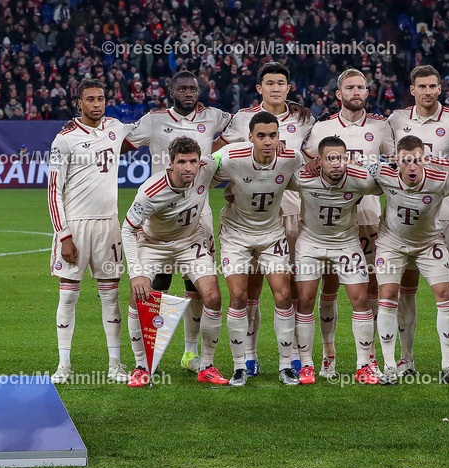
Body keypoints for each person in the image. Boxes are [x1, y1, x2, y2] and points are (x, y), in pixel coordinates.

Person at [127, 71, 232, 372]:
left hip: (198, 212)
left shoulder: (212, 116)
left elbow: (240, 129)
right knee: (157, 284)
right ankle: (148, 358)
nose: (189, 92)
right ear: (171, 91)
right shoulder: (153, 120)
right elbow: (120, 140)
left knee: (197, 285)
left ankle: (190, 353)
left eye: (193, 88)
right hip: (159, 215)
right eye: (182, 88)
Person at [213, 62, 313, 376]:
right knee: (249, 289)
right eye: (269, 83)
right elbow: (217, 154)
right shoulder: (242, 118)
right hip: (247, 206)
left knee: (291, 288)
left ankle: (294, 356)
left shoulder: (303, 117)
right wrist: (232, 182)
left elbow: (310, 161)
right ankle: (249, 358)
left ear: (288, 87)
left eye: (281, 83)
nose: (275, 88)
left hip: (292, 208)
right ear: (260, 88)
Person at [304, 69, 393, 378]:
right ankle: (328, 352)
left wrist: (379, 168)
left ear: (367, 92)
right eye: (350, 87)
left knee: (367, 289)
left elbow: (394, 167)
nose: (357, 91)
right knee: (327, 287)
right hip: (329, 220)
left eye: (362, 87)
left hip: (369, 217)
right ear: (338, 94)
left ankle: (368, 358)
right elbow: (309, 166)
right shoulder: (323, 128)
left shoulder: (382, 127)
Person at [120, 136, 228, 387]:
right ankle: (141, 366)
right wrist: (136, 273)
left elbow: (231, 151)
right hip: (153, 243)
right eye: (182, 162)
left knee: (212, 295)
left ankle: (206, 365)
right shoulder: (150, 191)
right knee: (139, 294)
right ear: (170, 164)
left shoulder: (206, 169)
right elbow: (127, 230)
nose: (188, 168)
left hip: (190, 242)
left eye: (193, 161)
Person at [387, 65, 449, 375]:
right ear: (412, 90)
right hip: (408, 215)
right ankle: (405, 359)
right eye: (421, 86)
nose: (427, 91)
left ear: (440, 89)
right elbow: (388, 158)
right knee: (406, 285)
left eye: (432, 86)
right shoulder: (397, 120)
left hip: (448, 212)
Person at [47, 79, 133, 385]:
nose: (97, 104)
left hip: (109, 226)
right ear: (78, 104)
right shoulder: (64, 140)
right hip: (77, 228)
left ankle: (115, 365)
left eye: (101, 99)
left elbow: (149, 131)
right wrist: (64, 235)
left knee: (111, 297)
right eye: (91, 99)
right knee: (68, 297)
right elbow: (53, 192)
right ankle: (64, 365)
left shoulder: (116, 127)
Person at [367, 135, 449, 384]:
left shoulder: (441, 179)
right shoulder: (382, 173)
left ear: (426, 160)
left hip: (429, 243)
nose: (412, 167)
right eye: (406, 161)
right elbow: (353, 169)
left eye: (417, 161)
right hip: (392, 244)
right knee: (388, 294)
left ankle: (448, 366)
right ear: (396, 161)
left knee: (445, 293)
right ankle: (391, 366)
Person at [290, 136, 382, 384]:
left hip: (346, 244)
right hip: (310, 243)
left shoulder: (359, 180)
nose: (337, 163)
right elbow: (269, 181)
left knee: (361, 299)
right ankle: (307, 365)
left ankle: (364, 365)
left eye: (341, 157)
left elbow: (390, 183)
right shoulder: (301, 178)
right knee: (306, 300)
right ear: (319, 161)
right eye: (330, 158)